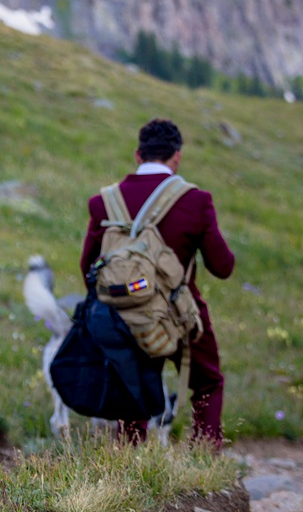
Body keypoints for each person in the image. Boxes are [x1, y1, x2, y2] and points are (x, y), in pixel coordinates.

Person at [79, 118, 234, 449]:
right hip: (180, 315)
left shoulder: (104, 201)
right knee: (207, 383)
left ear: (138, 155)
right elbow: (222, 267)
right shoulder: (196, 201)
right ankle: (205, 455)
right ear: (177, 156)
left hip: (123, 314)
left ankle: (130, 459)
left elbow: (88, 267)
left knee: (132, 388)